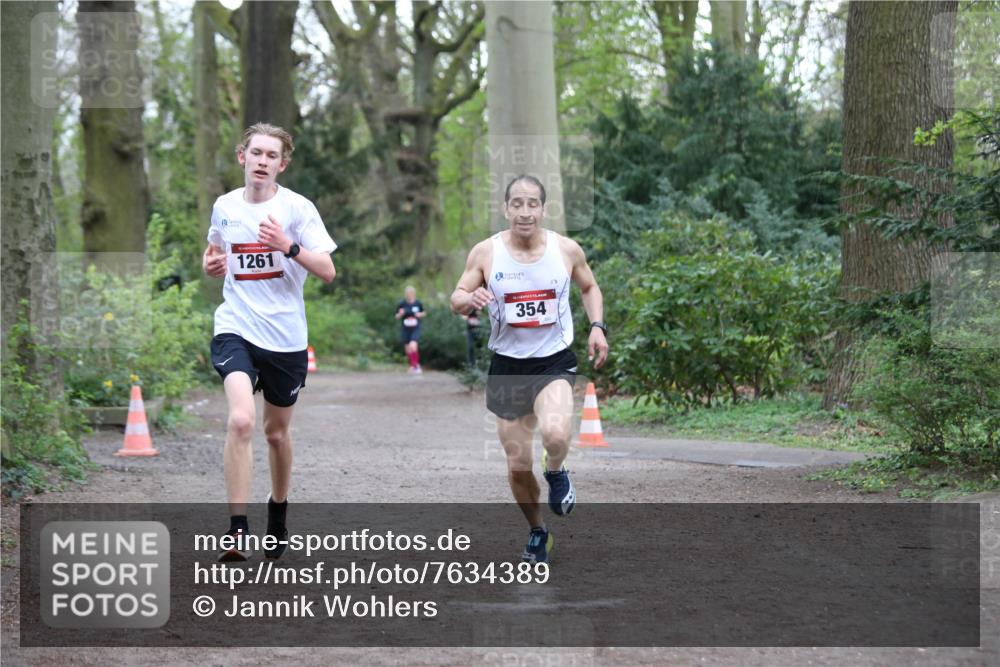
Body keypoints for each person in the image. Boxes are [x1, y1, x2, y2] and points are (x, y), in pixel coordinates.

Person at [450, 175, 609, 564]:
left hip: (553, 360)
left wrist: (597, 327)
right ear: (506, 209)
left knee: (555, 433)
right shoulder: (486, 253)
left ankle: (556, 470)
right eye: (517, 204)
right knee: (518, 466)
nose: (524, 211)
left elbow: (589, 287)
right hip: (507, 367)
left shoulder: (566, 249)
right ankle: (539, 531)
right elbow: (456, 297)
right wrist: (470, 298)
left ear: (543, 208)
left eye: (532, 203)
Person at [202, 123, 337, 562]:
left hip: (285, 337)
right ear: (242, 156)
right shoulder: (224, 207)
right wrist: (212, 265)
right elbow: (216, 253)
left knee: (275, 433)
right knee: (241, 420)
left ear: (282, 164)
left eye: (271, 156)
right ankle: (236, 529)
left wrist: (288, 246)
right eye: (256, 153)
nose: (262, 161)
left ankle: (277, 510)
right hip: (236, 325)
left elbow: (328, 271)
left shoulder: (297, 209)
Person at [395, 286, 426, 374]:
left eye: (411, 294)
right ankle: (412, 365)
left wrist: (420, 314)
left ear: (413, 294)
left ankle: (416, 366)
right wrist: (400, 314)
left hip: (415, 328)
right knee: (408, 349)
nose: (409, 295)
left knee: (413, 345)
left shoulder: (418, 303)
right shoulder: (402, 303)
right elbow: (396, 316)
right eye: (408, 294)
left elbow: (424, 313)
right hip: (405, 329)